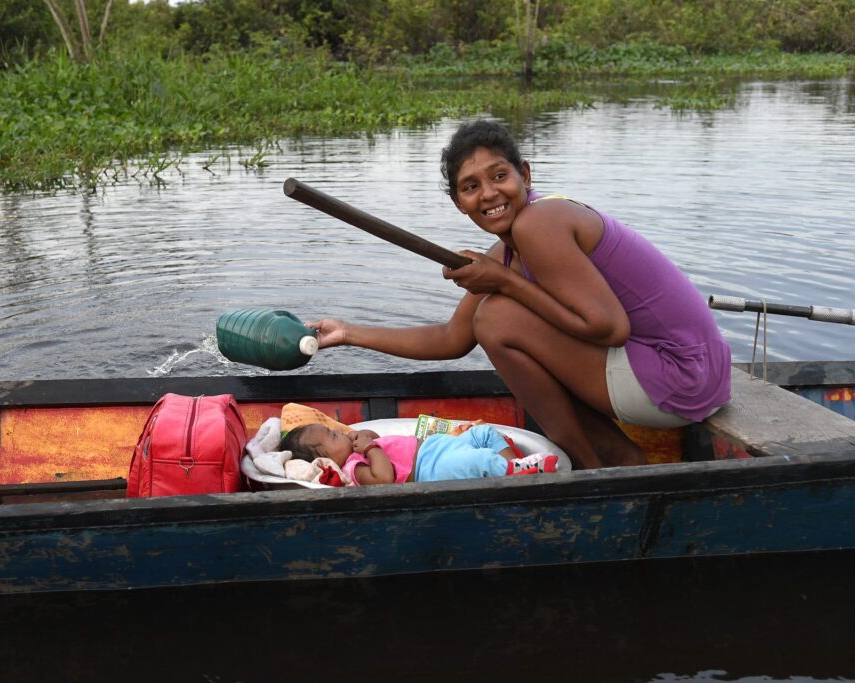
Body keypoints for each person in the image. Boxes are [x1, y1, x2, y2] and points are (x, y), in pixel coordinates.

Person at [308, 119, 731, 470]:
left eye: (499, 176)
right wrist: (347, 332)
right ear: (458, 202)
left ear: (524, 175)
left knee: (497, 317)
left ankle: (590, 471)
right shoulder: (510, 250)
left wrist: (504, 283)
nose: (489, 194)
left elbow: (609, 327)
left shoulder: (539, 222)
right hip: (701, 376)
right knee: (496, 314)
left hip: (680, 378)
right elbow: (451, 339)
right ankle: (617, 456)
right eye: (470, 187)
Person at [279, 423, 558, 486]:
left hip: (436, 446)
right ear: (326, 459)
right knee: (477, 461)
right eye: (332, 437)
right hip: (430, 469)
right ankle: (518, 472)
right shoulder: (353, 468)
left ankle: (513, 464)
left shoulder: (353, 447)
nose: (339, 432)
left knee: (484, 432)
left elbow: (377, 439)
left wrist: (364, 437)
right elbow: (384, 478)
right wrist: (369, 449)